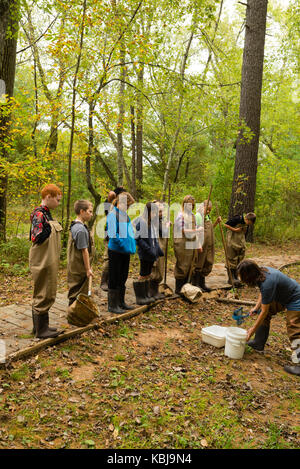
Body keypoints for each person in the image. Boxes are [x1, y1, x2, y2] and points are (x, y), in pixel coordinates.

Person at [237, 260, 300, 377]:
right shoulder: (261, 273)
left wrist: (251, 331)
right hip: (283, 297)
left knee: (294, 328)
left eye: (242, 276)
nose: (241, 279)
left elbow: (264, 312)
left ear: (249, 275)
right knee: (264, 310)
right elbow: (263, 292)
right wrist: (256, 307)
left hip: (296, 299)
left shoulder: (267, 282)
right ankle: (258, 343)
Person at [29, 184, 62, 339]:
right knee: (43, 291)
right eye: (57, 200)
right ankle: (41, 330)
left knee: (48, 290)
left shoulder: (47, 214)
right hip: (42, 259)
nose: (58, 203)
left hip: (49, 258)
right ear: (48, 196)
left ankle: (42, 327)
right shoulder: (39, 214)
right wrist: (47, 230)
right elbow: (36, 237)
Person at [106, 192, 136, 314]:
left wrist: (131, 245)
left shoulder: (125, 215)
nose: (128, 207)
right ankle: (112, 305)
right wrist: (123, 245)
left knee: (123, 276)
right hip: (116, 251)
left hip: (125, 251)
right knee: (114, 277)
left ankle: (121, 302)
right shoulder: (113, 215)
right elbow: (113, 235)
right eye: (127, 205)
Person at [133, 202, 164, 305]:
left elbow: (154, 238)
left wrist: (158, 250)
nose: (155, 215)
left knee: (149, 274)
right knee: (143, 274)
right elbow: (138, 238)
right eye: (153, 213)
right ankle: (140, 297)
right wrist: (148, 249)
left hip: (152, 253)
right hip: (145, 253)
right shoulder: (141, 222)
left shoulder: (152, 222)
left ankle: (146, 295)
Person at [67, 200, 94, 308]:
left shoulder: (76, 225)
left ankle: (76, 312)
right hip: (79, 266)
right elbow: (84, 250)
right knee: (77, 290)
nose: (91, 214)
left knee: (77, 289)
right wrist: (88, 269)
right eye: (90, 211)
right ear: (82, 211)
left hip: (76, 264)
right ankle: (73, 314)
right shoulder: (80, 230)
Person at [173, 195, 202, 294]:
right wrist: (196, 230)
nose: (191, 207)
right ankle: (178, 289)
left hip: (192, 243)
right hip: (182, 243)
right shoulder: (180, 216)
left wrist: (198, 244)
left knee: (191, 265)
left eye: (192, 205)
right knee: (182, 265)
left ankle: (186, 289)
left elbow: (196, 231)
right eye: (189, 205)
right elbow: (182, 230)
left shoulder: (193, 216)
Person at [192, 200, 221, 292]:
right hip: (201, 244)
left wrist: (216, 222)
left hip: (209, 244)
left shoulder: (207, 216)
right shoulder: (198, 216)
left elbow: (210, 228)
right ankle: (195, 284)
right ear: (201, 207)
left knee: (207, 262)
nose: (208, 211)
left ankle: (202, 283)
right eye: (207, 209)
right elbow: (195, 231)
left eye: (210, 210)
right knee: (199, 262)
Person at [224, 212, 256, 286]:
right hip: (232, 241)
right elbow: (225, 224)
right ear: (247, 219)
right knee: (231, 259)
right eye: (249, 222)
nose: (248, 225)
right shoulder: (238, 218)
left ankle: (236, 277)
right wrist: (234, 230)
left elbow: (244, 234)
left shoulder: (247, 224)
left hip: (240, 242)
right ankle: (231, 278)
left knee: (239, 259)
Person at [150, 200, 171, 299]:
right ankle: (152, 292)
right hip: (155, 248)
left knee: (159, 269)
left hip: (160, 248)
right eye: (159, 212)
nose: (161, 213)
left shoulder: (159, 220)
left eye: (162, 211)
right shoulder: (154, 221)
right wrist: (167, 226)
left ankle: (155, 291)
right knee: (155, 269)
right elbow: (163, 232)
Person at [100, 191, 116, 291]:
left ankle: (111, 280)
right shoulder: (108, 208)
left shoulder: (118, 208)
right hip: (109, 237)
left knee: (114, 259)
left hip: (117, 237)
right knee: (108, 259)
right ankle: (103, 281)